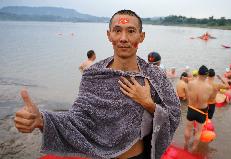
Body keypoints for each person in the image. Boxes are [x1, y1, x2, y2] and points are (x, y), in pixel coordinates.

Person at [14, 10, 181, 159]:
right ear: (109, 35)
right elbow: (77, 119)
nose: (123, 38)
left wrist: (149, 104)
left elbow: (173, 116)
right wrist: (42, 119)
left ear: (141, 36)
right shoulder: (93, 75)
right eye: (117, 31)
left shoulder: (154, 76)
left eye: (131, 31)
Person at [184, 65, 213, 151]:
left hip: (191, 108)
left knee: (188, 128)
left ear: (198, 73)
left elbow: (188, 95)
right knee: (199, 131)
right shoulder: (209, 87)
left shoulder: (190, 83)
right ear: (207, 75)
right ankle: (194, 147)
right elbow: (209, 99)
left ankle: (185, 144)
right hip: (202, 111)